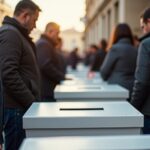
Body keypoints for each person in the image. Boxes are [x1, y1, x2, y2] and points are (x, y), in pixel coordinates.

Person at [0, 0, 41, 150]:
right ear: (25, 16)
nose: (35, 25)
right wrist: (31, 102)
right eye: (35, 20)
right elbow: (8, 73)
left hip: (19, 108)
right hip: (16, 110)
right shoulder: (11, 34)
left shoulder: (16, 33)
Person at [100, 23, 137, 100]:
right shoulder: (136, 49)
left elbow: (104, 71)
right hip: (133, 89)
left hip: (116, 89)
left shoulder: (115, 49)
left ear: (115, 34)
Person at [131, 8, 150, 134]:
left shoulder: (146, 44)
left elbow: (142, 82)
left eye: (143, 26)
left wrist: (132, 107)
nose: (142, 30)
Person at [36, 22, 65, 102]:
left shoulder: (46, 43)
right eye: (57, 33)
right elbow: (46, 66)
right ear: (50, 31)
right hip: (46, 91)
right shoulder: (43, 44)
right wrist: (62, 77)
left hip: (48, 90)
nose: (58, 36)